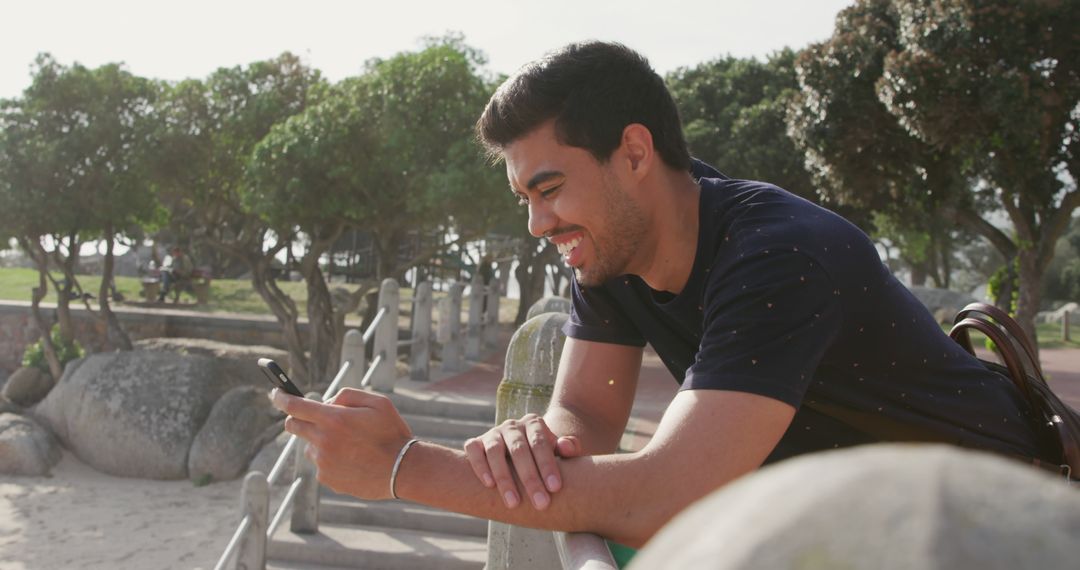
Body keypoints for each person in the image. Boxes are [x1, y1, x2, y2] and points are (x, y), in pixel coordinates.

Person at [271, 41, 1052, 548]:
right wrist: (537, 439)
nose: (539, 223)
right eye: (524, 200)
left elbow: (670, 494)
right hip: (858, 526)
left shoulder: (781, 253)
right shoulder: (613, 254)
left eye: (550, 188)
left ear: (633, 152)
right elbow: (589, 414)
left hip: (994, 527)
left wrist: (403, 468)